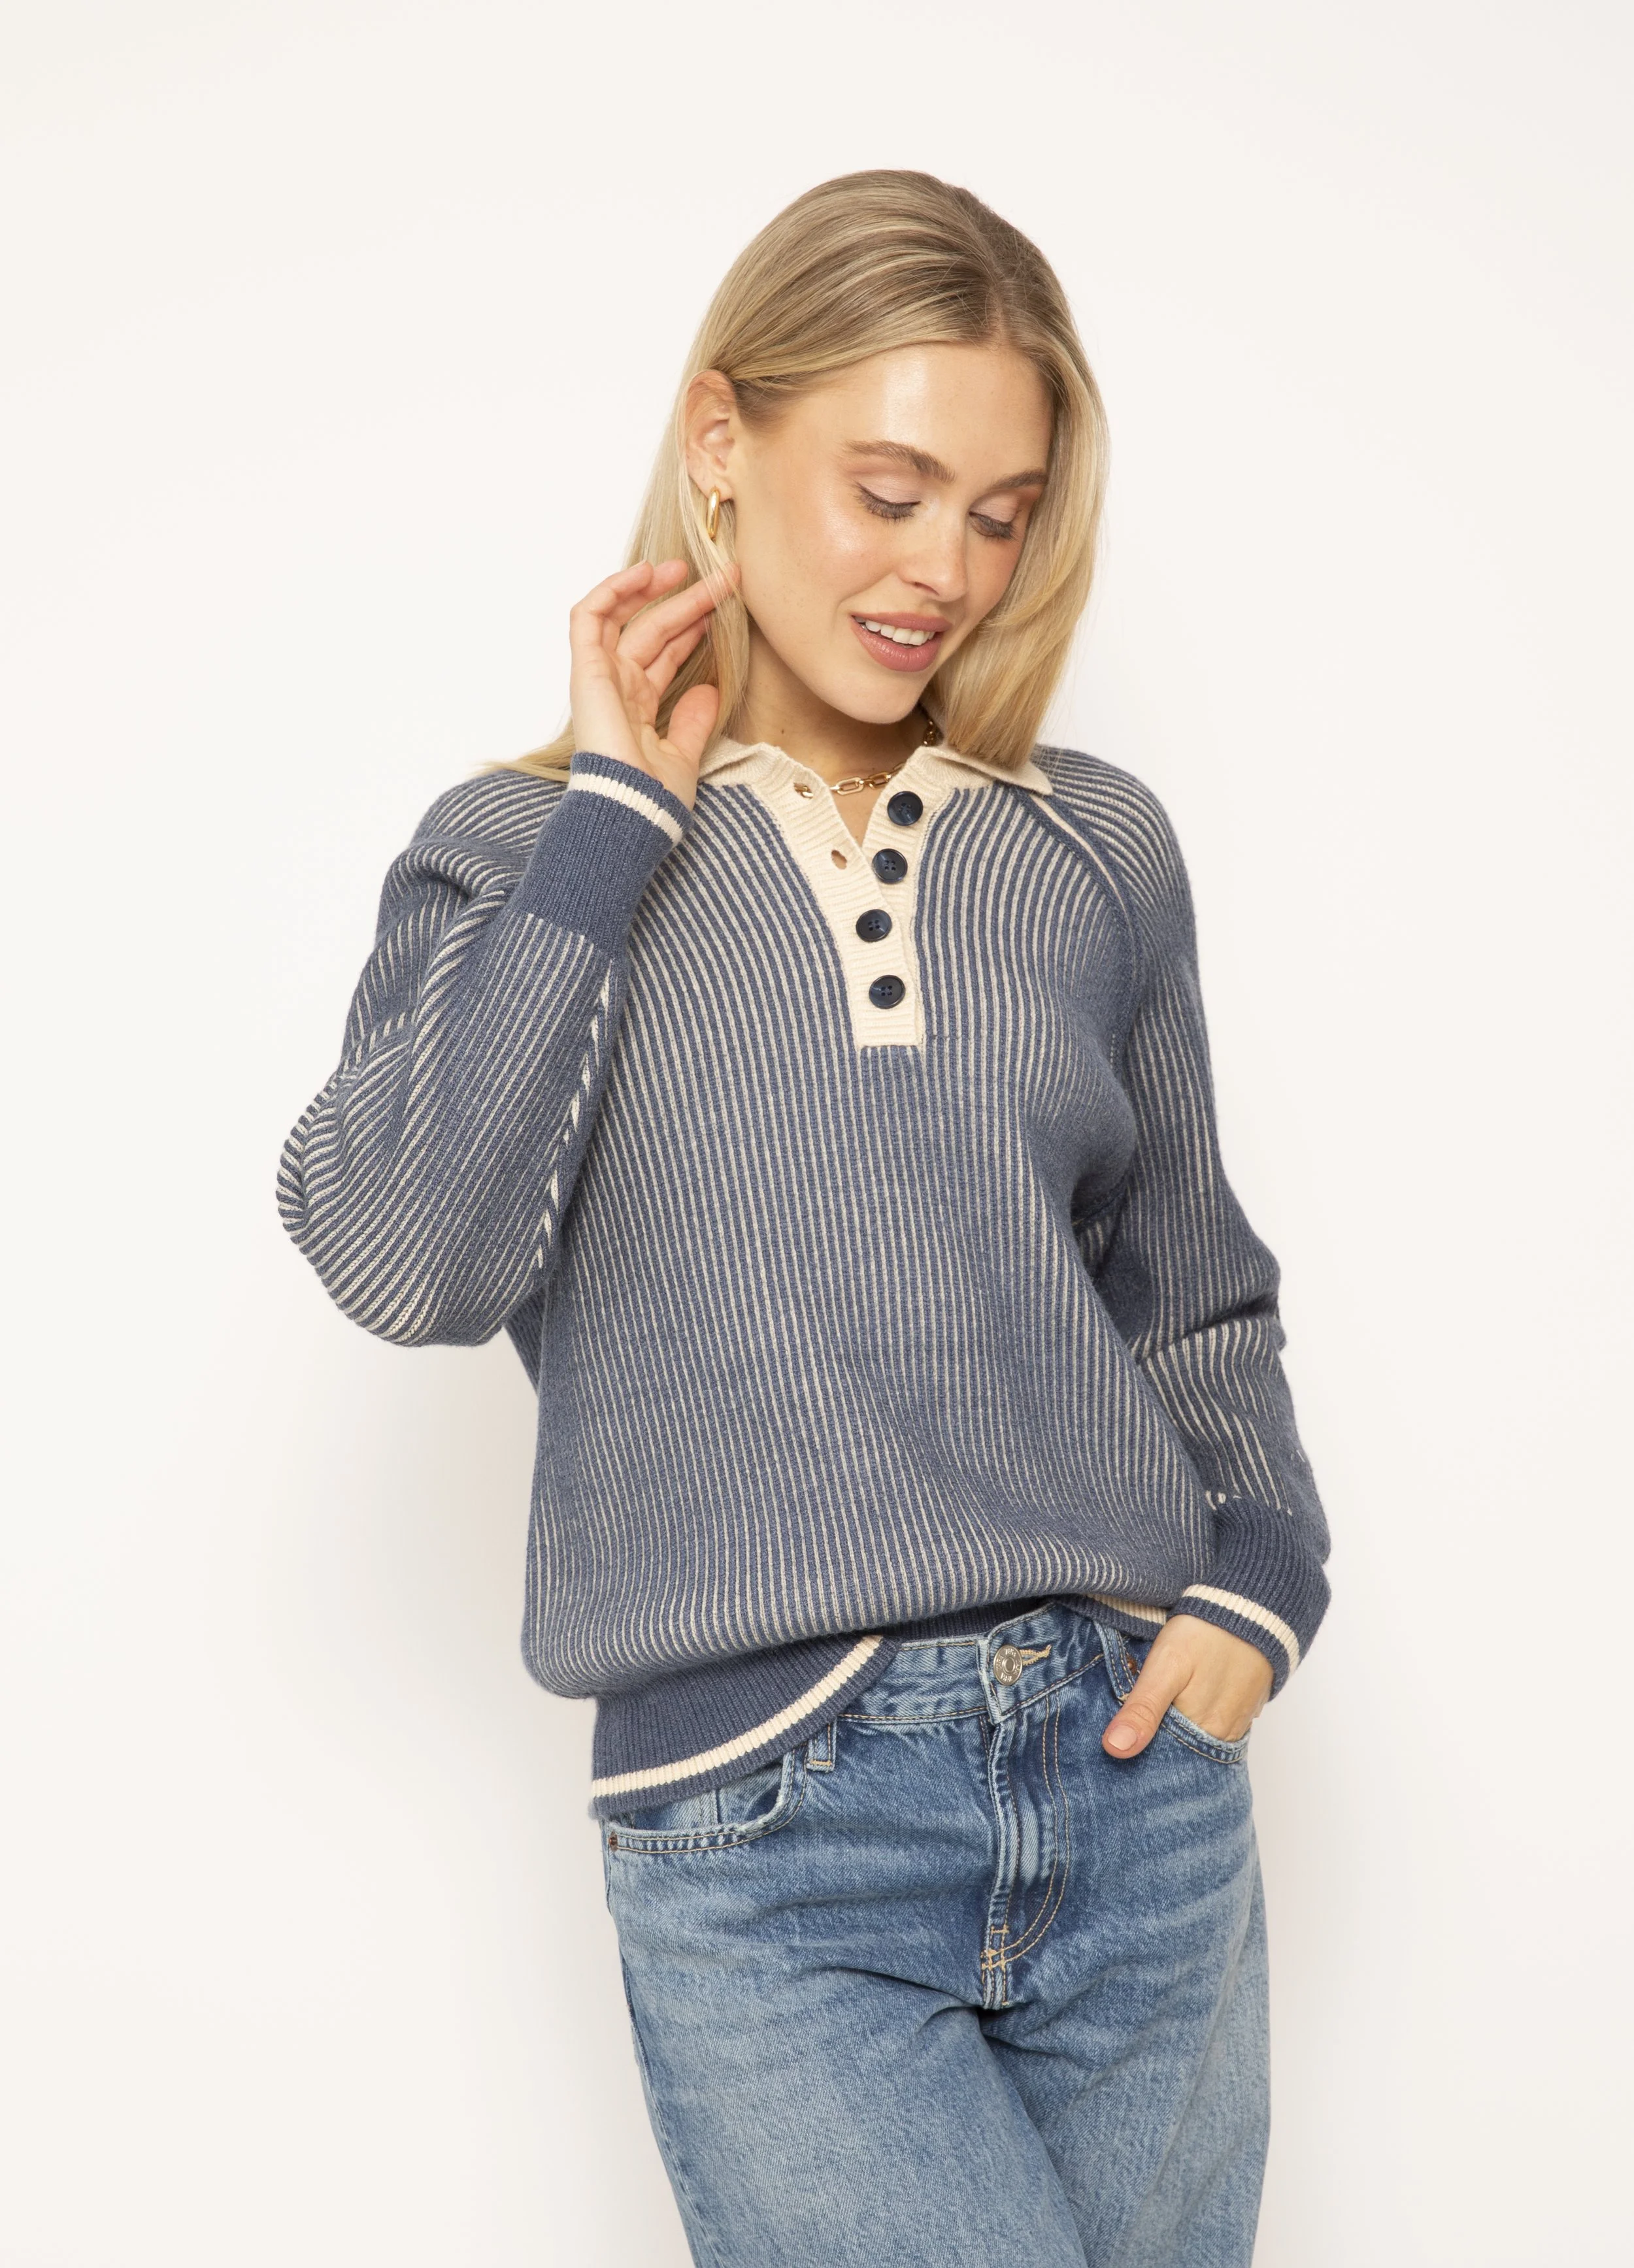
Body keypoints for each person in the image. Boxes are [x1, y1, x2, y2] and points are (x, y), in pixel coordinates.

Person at [278, 169, 1329, 2268]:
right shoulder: (520, 852)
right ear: (719, 442)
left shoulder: (1091, 847)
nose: (946, 569)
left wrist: (1256, 1582)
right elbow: (404, 1253)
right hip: (769, 1821)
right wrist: (615, 819)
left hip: (1136, 1783)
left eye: (1000, 513)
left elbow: (1189, 1285)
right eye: (889, 489)